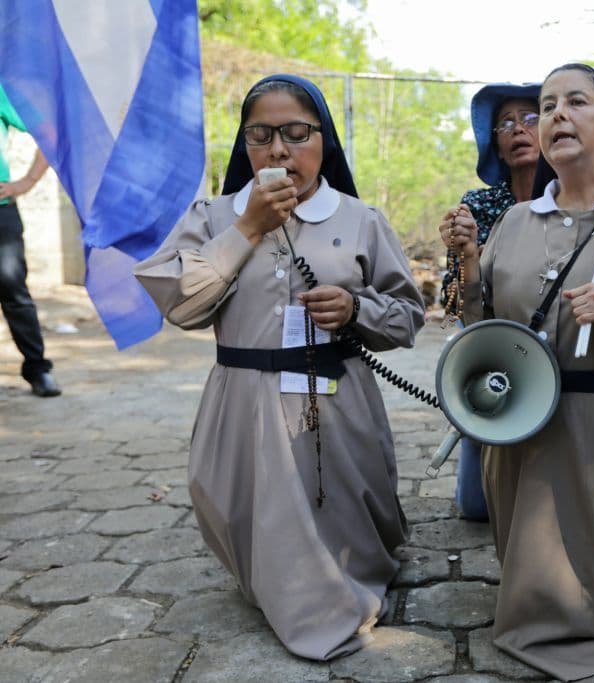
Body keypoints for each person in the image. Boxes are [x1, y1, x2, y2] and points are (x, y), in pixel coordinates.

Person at [134, 74, 425, 660]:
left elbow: (407, 316)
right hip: (241, 401)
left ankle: (335, 589)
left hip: (335, 398)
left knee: (341, 512)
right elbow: (181, 304)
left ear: (324, 141)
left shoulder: (360, 218)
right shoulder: (215, 216)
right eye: (261, 135)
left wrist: (355, 308)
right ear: (245, 145)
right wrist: (247, 231)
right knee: (247, 508)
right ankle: (282, 586)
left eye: (296, 133)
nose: (278, 151)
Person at [444, 63, 594, 681]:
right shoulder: (514, 221)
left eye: (575, 101)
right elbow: (483, 325)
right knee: (532, 581)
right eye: (547, 103)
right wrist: (470, 264)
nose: (555, 114)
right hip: (525, 433)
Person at [437, 82, 540, 520]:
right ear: (496, 144)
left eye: (531, 118)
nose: (519, 129)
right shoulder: (477, 206)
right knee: (477, 508)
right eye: (506, 123)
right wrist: (467, 256)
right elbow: (454, 301)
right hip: (491, 343)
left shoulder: (578, 202)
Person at [0, 84, 61, 397]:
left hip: (1, 211)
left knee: (12, 288)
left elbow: (50, 132)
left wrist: (26, 181)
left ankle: (37, 369)